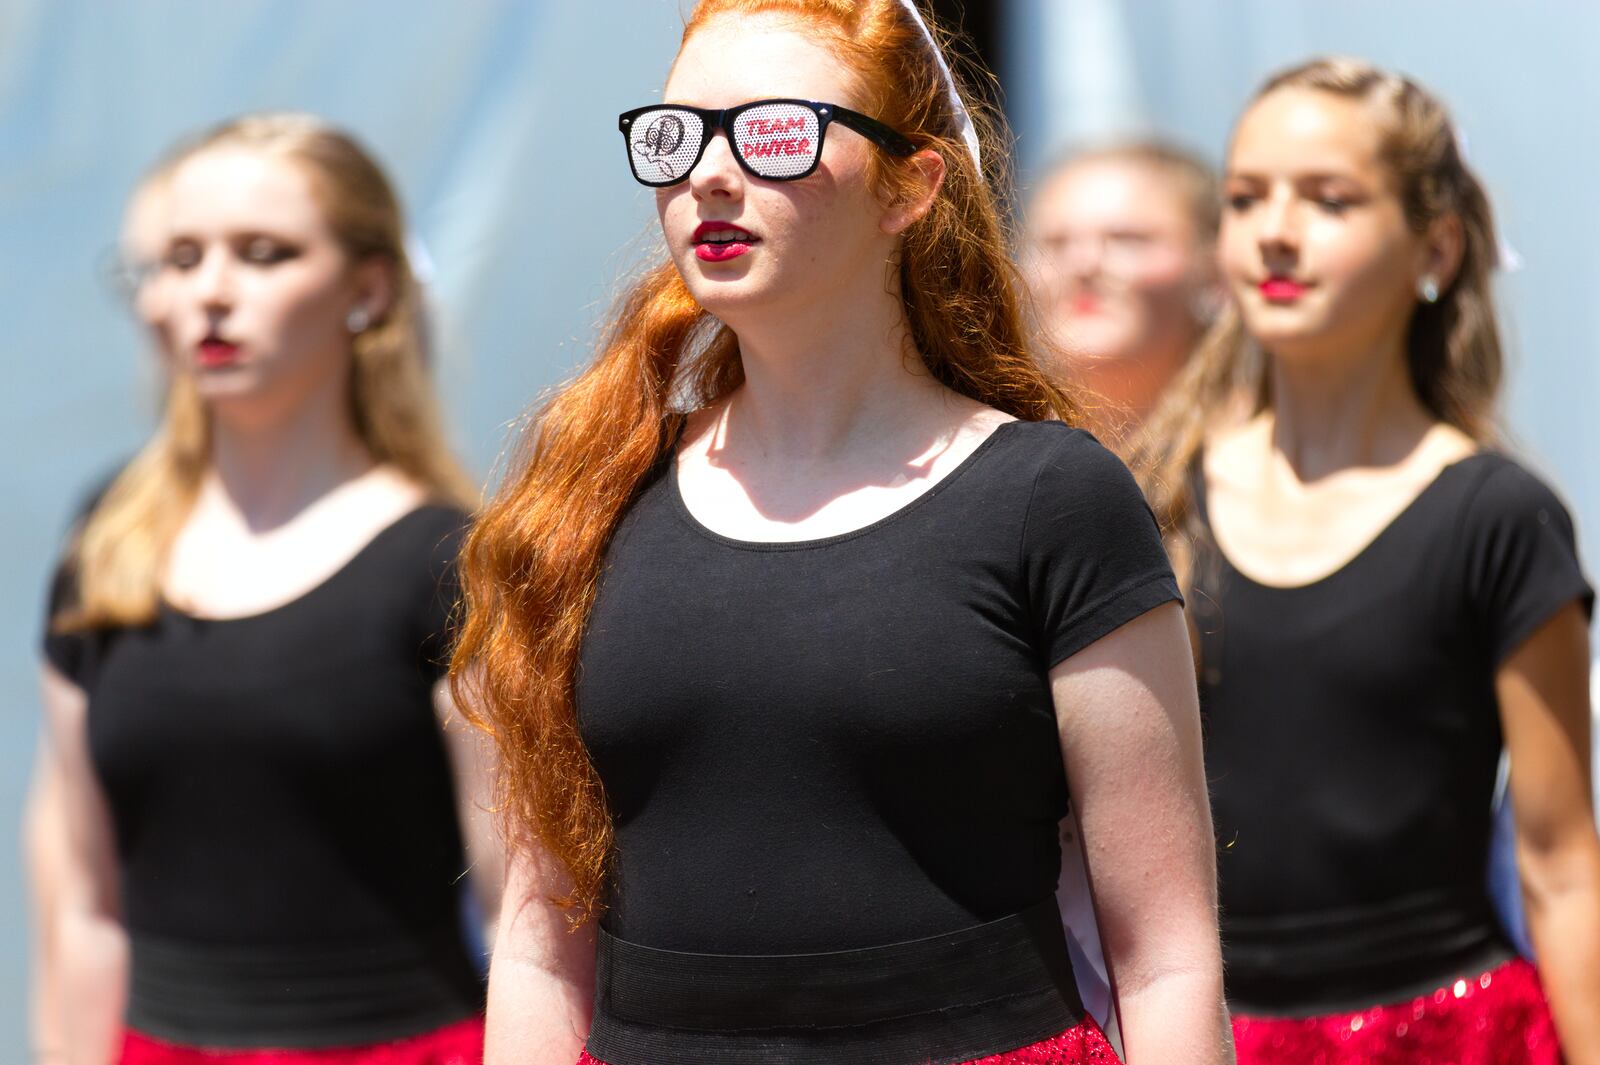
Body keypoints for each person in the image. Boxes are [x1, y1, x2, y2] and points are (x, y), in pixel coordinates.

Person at [453, 2, 1230, 1063]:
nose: (709, 177)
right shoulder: (592, 491)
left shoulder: (1050, 498)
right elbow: (541, 946)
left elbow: (1166, 955)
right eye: (678, 137)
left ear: (911, 185)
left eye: (774, 133)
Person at [1131, 56, 1600, 1064]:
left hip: (1446, 1031)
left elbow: (1559, 862)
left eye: (1329, 199)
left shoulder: (1497, 519)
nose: (1275, 230)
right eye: (1245, 198)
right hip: (1201, 1036)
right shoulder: (1155, 496)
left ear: (1434, 246)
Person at [39, 113, 496, 1064]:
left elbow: (526, 904)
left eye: (263, 254)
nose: (209, 293)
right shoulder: (107, 542)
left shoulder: (446, 560)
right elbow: (78, 896)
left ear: (367, 289)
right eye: (178, 258)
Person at [27, 164, 178, 1065]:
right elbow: (69, 841)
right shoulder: (111, 523)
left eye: (257, 254)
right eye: (160, 266)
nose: (196, 297)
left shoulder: (427, 544)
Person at [1025, 142, 1221, 446]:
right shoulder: (980, 452)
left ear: (1214, 272)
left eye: (1126, 239)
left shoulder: (1267, 463)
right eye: (1056, 242)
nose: (1083, 264)